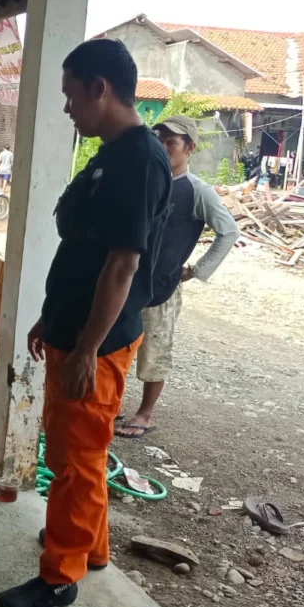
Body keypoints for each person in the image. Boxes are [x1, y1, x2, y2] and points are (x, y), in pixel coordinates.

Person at [0, 38, 171, 607]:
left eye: (72, 95)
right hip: (75, 328)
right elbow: (82, 250)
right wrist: (54, 318)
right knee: (79, 453)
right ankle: (90, 549)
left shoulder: (141, 159)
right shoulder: (109, 153)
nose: (68, 108)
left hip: (101, 338)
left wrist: (87, 349)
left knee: (75, 463)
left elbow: (123, 265)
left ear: (101, 88)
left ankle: (60, 576)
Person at [114, 116, 239, 440]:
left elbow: (228, 231)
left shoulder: (198, 192)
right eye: (160, 140)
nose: (164, 147)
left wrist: (197, 270)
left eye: (172, 143)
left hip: (162, 289)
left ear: (189, 149)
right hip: (123, 283)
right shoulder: (143, 181)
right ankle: (110, 408)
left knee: (155, 352)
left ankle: (144, 414)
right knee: (114, 345)